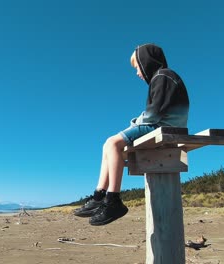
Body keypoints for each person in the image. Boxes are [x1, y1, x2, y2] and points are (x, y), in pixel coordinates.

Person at [74, 43, 190, 226]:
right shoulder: (162, 77)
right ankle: (99, 196)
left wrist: (135, 122)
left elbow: (154, 113)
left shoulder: (163, 76)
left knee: (113, 144)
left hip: (162, 126)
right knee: (108, 145)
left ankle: (113, 200)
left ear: (147, 62)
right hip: (163, 124)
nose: (137, 73)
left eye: (137, 67)